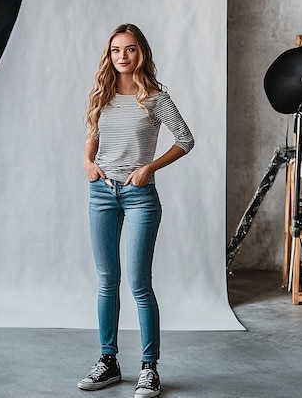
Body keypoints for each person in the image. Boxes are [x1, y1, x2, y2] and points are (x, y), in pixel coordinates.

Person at [78, 23, 194, 398]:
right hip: (101, 194)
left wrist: (149, 168)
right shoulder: (103, 95)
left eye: (129, 49)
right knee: (106, 280)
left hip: (139, 195)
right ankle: (108, 361)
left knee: (139, 284)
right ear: (109, 55)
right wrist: (87, 162)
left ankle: (149, 368)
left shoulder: (156, 99)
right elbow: (93, 136)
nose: (122, 57)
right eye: (115, 50)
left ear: (140, 52)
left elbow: (186, 140)